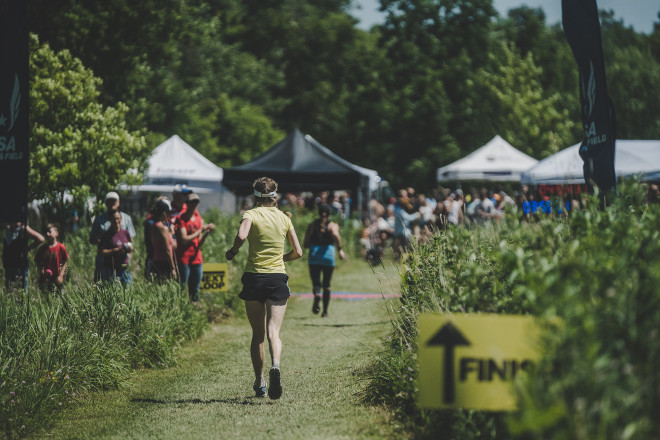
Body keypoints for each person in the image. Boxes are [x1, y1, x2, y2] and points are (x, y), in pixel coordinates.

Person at [225, 177, 303, 400]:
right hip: (277, 277)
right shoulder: (284, 218)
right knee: (273, 332)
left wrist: (233, 251)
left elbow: (241, 235)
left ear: (255, 195)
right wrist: (282, 258)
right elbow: (298, 252)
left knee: (257, 335)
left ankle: (260, 382)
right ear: (275, 195)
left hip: (254, 277)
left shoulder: (251, 214)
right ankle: (275, 366)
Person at [303, 204, 346, 317]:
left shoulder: (312, 225)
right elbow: (336, 235)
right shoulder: (332, 225)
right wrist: (340, 250)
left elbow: (306, 242)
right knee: (327, 284)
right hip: (328, 255)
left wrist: (308, 244)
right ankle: (325, 311)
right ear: (330, 213)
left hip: (314, 255)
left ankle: (317, 294)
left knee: (316, 282)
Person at [176, 193, 215, 306]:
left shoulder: (199, 219)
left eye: (196, 202)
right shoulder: (181, 218)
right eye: (192, 202)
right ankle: (180, 309)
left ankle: (194, 312)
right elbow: (183, 239)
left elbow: (199, 243)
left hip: (196, 258)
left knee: (195, 289)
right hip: (184, 258)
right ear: (187, 204)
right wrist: (200, 231)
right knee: (182, 287)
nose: (194, 204)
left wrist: (206, 234)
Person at [90, 192, 135, 282]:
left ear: (118, 202)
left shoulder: (126, 218)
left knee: (125, 288)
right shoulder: (99, 219)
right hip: (104, 261)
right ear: (106, 203)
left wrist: (129, 256)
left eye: (114, 201)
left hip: (122, 261)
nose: (112, 203)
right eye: (109, 201)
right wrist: (108, 242)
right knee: (102, 285)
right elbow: (92, 239)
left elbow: (130, 240)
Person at [3, 222, 44, 291]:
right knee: (9, 290)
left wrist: (28, 248)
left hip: (20, 265)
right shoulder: (8, 227)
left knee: (20, 291)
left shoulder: (23, 228)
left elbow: (40, 238)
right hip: (8, 264)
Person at [99, 211, 133, 286]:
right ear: (110, 220)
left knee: (128, 291)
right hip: (110, 269)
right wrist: (116, 250)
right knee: (113, 292)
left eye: (117, 218)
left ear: (121, 219)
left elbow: (131, 246)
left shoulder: (125, 233)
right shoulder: (106, 235)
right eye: (113, 219)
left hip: (124, 269)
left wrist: (128, 251)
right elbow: (101, 252)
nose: (116, 221)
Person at [34, 224, 68, 293]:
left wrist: (61, 275)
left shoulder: (61, 247)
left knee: (59, 297)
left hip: (57, 279)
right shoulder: (42, 248)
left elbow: (65, 261)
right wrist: (41, 271)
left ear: (56, 233)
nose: (47, 234)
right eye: (46, 232)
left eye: (49, 231)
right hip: (45, 279)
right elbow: (37, 261)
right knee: (45, 298)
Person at [150, 199, 178, 281]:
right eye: (168, 212)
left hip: (157, 261)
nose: (169, 215)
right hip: (164, 263)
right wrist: (173, 268)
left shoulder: (154, 226)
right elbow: (167, 250)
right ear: (163, 213)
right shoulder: (163, 228)